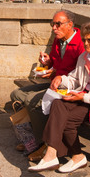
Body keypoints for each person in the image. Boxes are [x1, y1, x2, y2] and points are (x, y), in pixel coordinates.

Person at [28, 21, 90, 174]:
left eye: (89, 40)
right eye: (84, 40)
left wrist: (82, 97)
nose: (85, 43)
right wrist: (61, 79)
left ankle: (67, 156)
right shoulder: (84, 57)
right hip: (84, 99)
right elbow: (75, 79)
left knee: (64, 116)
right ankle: (56, 155)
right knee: (57, 105)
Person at [10, 10, 84, 155]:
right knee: (16, 94)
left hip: (67, 88)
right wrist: (48, 63)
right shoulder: (59, 40)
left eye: (58, 24)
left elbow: (79, 76)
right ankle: (29, 137)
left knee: (32, 101)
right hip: (54, 83)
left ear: (70, 25)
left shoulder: (80, 44)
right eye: (53, 24)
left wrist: (57, 74)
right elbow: (55, 63)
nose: (54, 28)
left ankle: (41, 142)